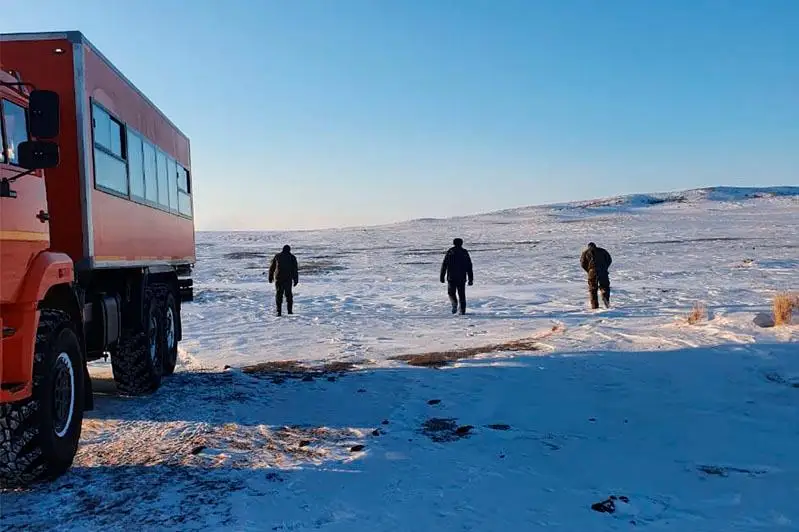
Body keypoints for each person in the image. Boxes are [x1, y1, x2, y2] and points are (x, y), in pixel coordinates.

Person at [440, 238, 474, 315]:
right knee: (460, 294)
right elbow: (469, 266)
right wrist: (470, 278)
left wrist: (442, 276)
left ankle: (457, 306)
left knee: (452, 293)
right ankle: (460, 309)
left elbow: (444, 265)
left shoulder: (452, 252)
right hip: (458, 277)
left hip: (453, 277)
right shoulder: (460, 252)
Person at [268, 245, 299, 316]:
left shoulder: (277, 256)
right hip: (287, 279)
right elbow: (295, 270)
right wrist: (296, 279)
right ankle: (289, 311)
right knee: (288, 295)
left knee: (279, 294)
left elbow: (272, 268)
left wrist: (270, 277)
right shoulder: (292, 257)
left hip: (279, 278)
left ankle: (279, 312)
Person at [580, 242, 612, 309]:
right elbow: (609, 260)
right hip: (603, 271)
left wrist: (589, 271)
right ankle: (605, 297)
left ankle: (594, 306)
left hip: (592, 272)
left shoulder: (585, 252)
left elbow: (583, 263)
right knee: (605, 286)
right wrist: (605, 268)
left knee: (593, 289)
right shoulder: (602, 251)